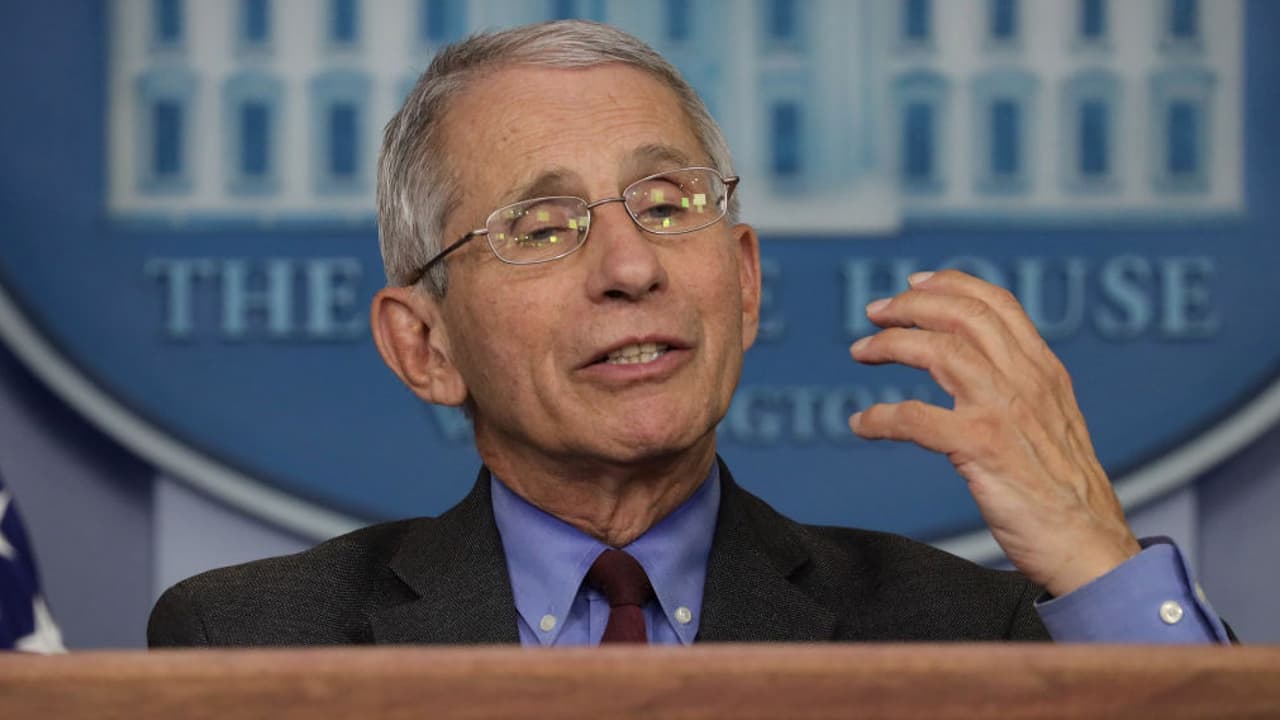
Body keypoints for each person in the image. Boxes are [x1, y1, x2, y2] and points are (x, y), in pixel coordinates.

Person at [148, 20, 1230, 647]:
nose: (632, 268)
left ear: (744, 282)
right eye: (542, 227)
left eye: (669, 205)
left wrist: (1096, 564)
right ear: (422, 346)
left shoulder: (959, 631)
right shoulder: (250, 641)